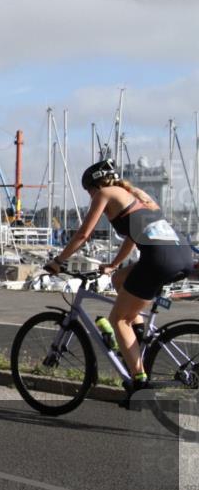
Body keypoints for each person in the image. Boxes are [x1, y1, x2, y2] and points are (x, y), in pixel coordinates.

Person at [45, 159, 193, 392]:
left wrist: (58, 261)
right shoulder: (135, 195)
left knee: (118, 319)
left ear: (94, 185)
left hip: (158, 259)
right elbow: (133, 237)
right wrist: (114, 264)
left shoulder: (104, 193)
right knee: (119, 280)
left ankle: (139, 381)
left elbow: (84, 234)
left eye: (88, 191)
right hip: (181, 254)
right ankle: (139, 335)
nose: (90, 196)